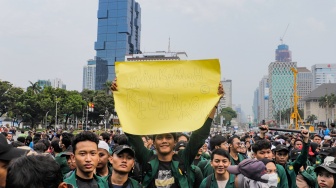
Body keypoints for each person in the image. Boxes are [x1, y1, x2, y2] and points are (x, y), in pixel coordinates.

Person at [114, 80, 224, 187]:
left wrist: (214, 104)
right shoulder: (147, 157)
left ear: (175, 141)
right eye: (160, 138)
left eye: (168, 137)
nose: (164, 141)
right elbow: (132, 135)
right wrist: (119, 97)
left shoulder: (183, 158)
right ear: (154, 142)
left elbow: (199, 135)